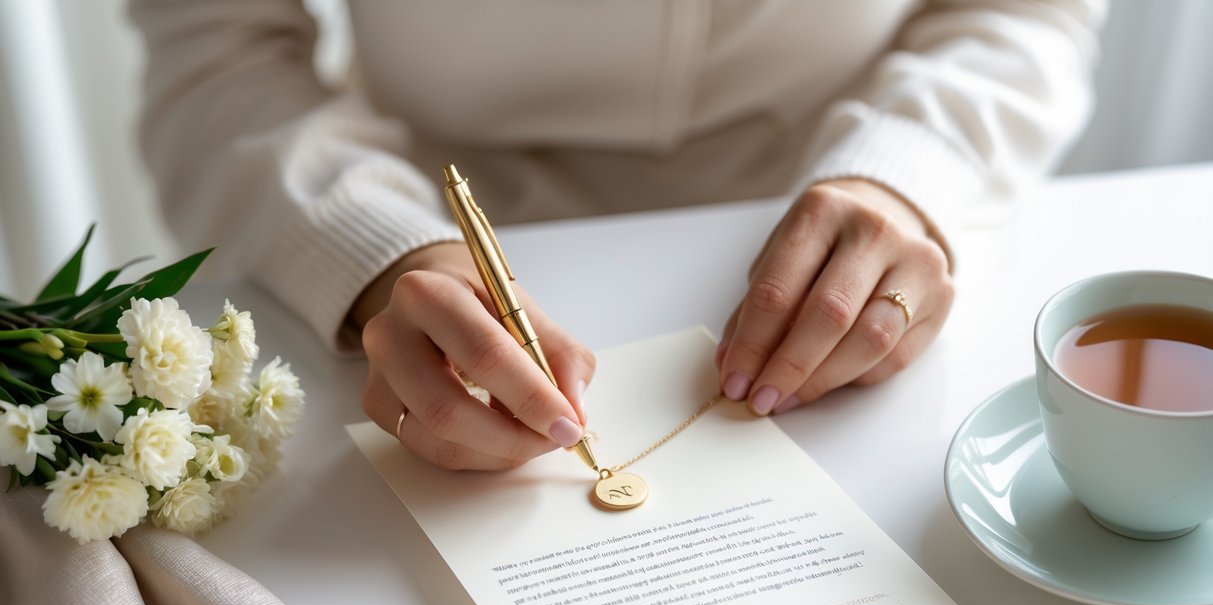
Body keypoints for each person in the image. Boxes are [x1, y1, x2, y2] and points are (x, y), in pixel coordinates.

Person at [130, 0, 1105, 471]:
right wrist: (369, 246)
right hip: (425, 239)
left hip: (828, 258)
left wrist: (912, 174)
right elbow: (212, 49)